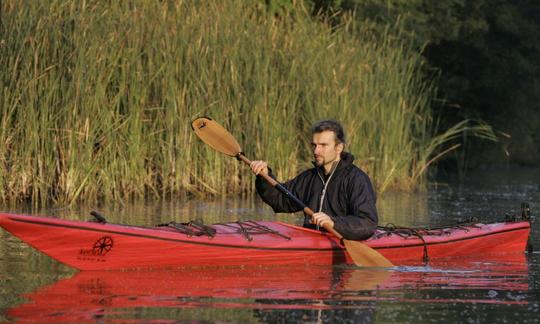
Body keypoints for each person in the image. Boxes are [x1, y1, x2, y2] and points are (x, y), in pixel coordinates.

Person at [250, 119, 378, 240]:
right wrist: (264, 176)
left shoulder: (356, 179)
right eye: (314, 145)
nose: (316, 151)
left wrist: (333, 223)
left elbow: (367, 223)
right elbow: (280, 200)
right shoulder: (309, 178)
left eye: (323, 145)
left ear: (339, 147)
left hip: (340, 241)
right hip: (312, 242)